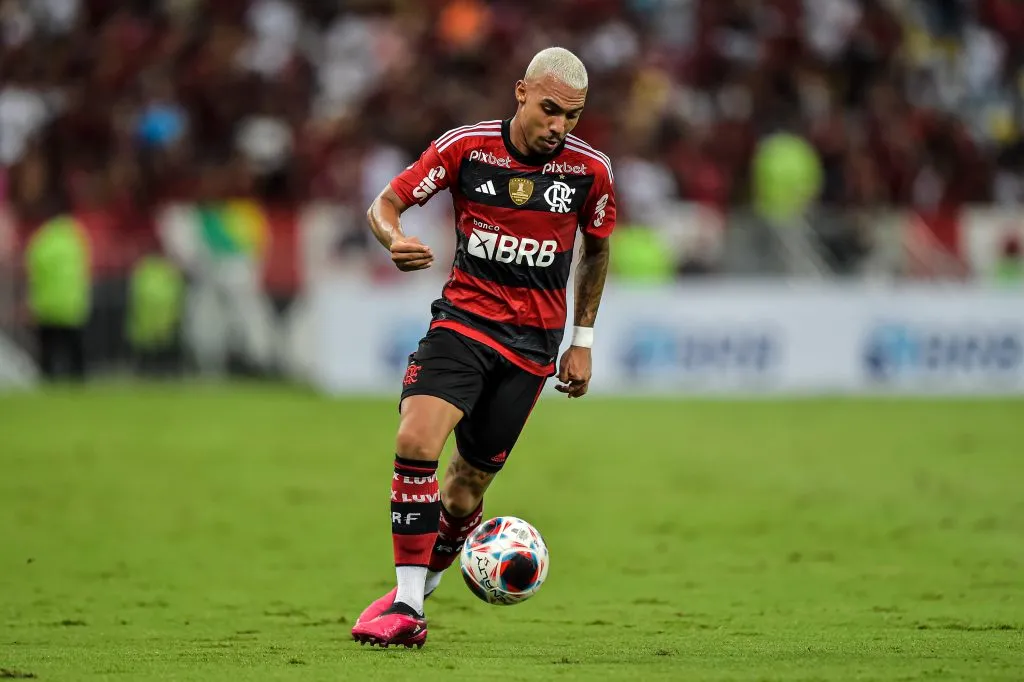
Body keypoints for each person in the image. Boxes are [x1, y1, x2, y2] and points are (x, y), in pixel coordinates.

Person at [350, 46, 617, 649]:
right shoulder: (467, 148)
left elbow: (597, 251)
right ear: (521, 92)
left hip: (533, 348)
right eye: (549, 109)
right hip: (464, 324)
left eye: (572, 115)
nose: (559, 125)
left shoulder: (590, 170)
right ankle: (407, 606)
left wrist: (582, 340)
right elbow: (385, 203)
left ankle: (418, 591)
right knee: (416, 441)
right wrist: (393, 238)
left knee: (465, 489)